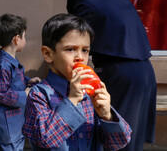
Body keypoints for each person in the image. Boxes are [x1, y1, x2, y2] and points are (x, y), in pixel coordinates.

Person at [59, 0, 157, 150]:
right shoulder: (117, 0)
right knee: (130, 137)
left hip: (121, 74)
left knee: (117, 137)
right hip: (143, 72)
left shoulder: (88, 7)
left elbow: (75, 44)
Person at [22, 13, 132, 150]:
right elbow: (45, 139)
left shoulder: (89, 92)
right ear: (48, 54)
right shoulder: (39, 95)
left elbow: (118, 143)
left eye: (85, 50)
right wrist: (72, 99)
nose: (80, 57)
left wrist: (107, 116)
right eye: (70, 49)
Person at [0, 13, 41, 151]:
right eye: (25, 36)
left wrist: (28, 80)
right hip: (9, 125)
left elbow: (15, 80)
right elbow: (1, 93)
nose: (25, 39)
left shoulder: (10, 61)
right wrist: (25, 94)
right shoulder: (4, 65)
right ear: (17, 39)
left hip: (16, 121)